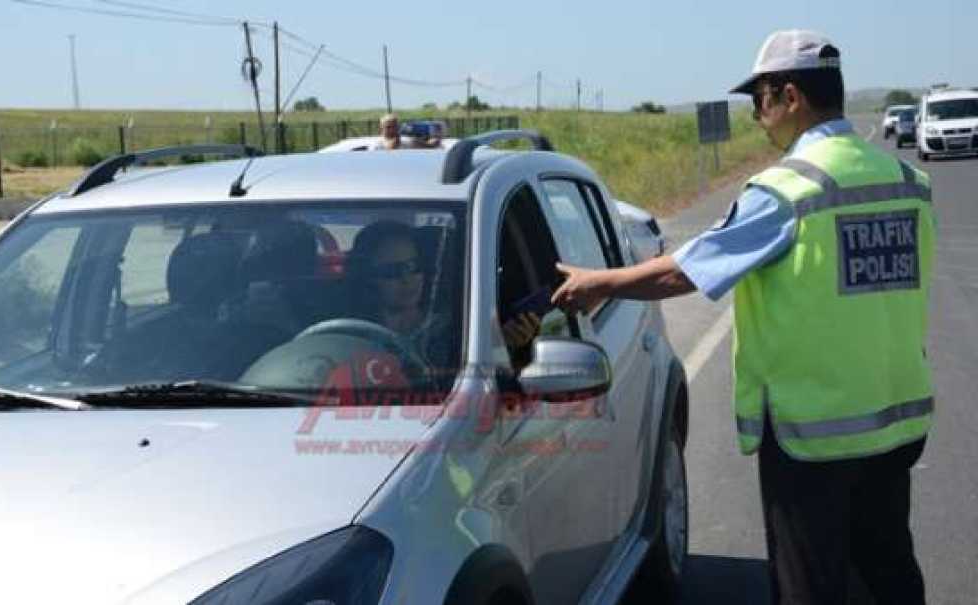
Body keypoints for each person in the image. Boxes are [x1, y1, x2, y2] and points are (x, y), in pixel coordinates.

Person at [551, 30, 935, 605]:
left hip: (816, 433)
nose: (758, 117)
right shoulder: (905, 180)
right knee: (887, 571)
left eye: (759, 101)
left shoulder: (790, 189)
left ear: (789, 96)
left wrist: (597, 284)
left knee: (810, 585)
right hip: (895, 419)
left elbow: (684, 271)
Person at [348, 221, 539, 375]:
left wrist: (503, 347)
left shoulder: (462, 330)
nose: (407, 279)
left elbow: (484, 387)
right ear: (367, 278)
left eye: (414, 266)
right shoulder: (346, 337)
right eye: (392, 271)